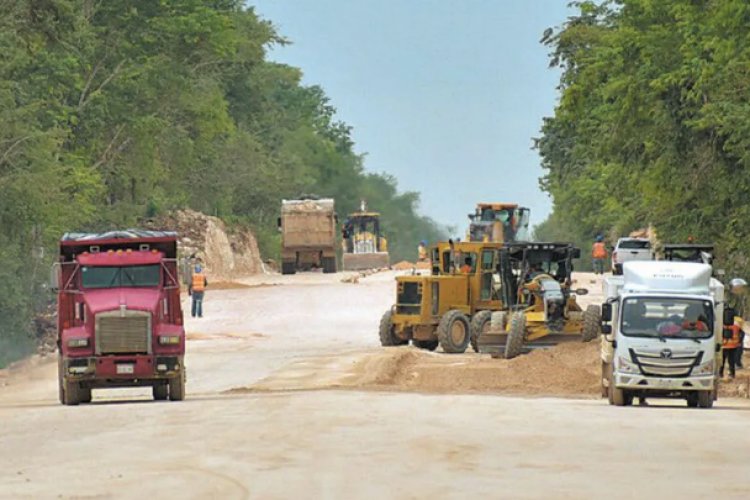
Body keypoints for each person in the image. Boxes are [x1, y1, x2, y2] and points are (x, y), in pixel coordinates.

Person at [728, 278, 747, 369]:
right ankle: (735, 362)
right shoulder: (731, 298)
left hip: (739, 324)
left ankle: (737, 362)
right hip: (733, 324)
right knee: (734, 344)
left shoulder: (740, 298)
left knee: (739, 343)